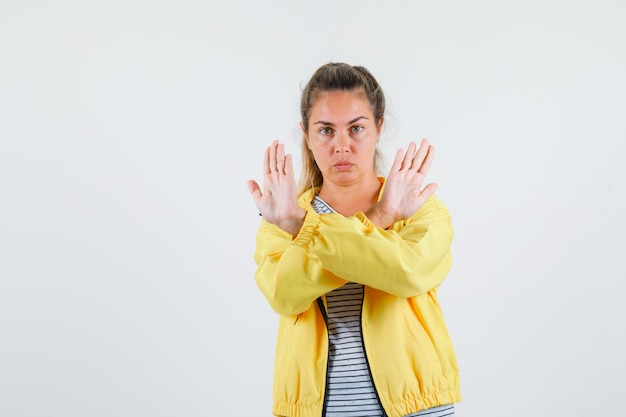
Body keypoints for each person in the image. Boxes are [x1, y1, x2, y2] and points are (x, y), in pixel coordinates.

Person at [247, 62, 461, 417]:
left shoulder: (418, 206)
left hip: (416, 407)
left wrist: (306, 230)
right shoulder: (282, 216)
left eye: (356, 128)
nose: (341, 146)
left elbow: (406, 272)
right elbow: (285, 294)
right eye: (326, 130)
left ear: (378, 128)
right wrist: (380, 219)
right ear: (307, 135)